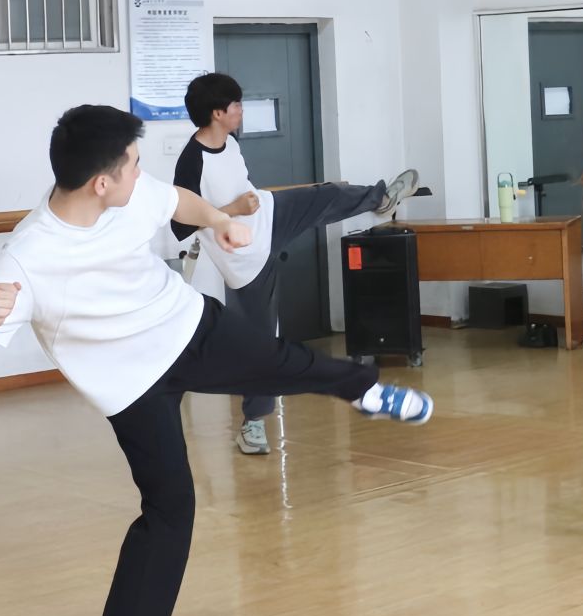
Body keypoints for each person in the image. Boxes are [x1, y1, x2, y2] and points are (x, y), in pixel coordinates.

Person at [0, 104, 432, 616]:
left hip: (185, 325)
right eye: (132, 164)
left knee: (281, 361)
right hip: (130, 385)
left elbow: (177, 201)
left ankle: (364, 390)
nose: (139, 171)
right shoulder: (27, 257)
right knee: (171, 504)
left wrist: (220, 220)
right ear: (101, 183)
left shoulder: (127, 194)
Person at [170, 72, 418, 454]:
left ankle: (380, 199)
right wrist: (232, 210)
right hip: (246, 263)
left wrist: (249, 203)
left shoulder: (231, 142)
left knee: (326, 195)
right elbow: (180, 225)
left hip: (270, 216)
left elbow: (241, 187)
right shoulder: (191, 161)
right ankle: (253, 425)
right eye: (235, 105)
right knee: (261, 345)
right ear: (218, 113)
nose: (241, 110)